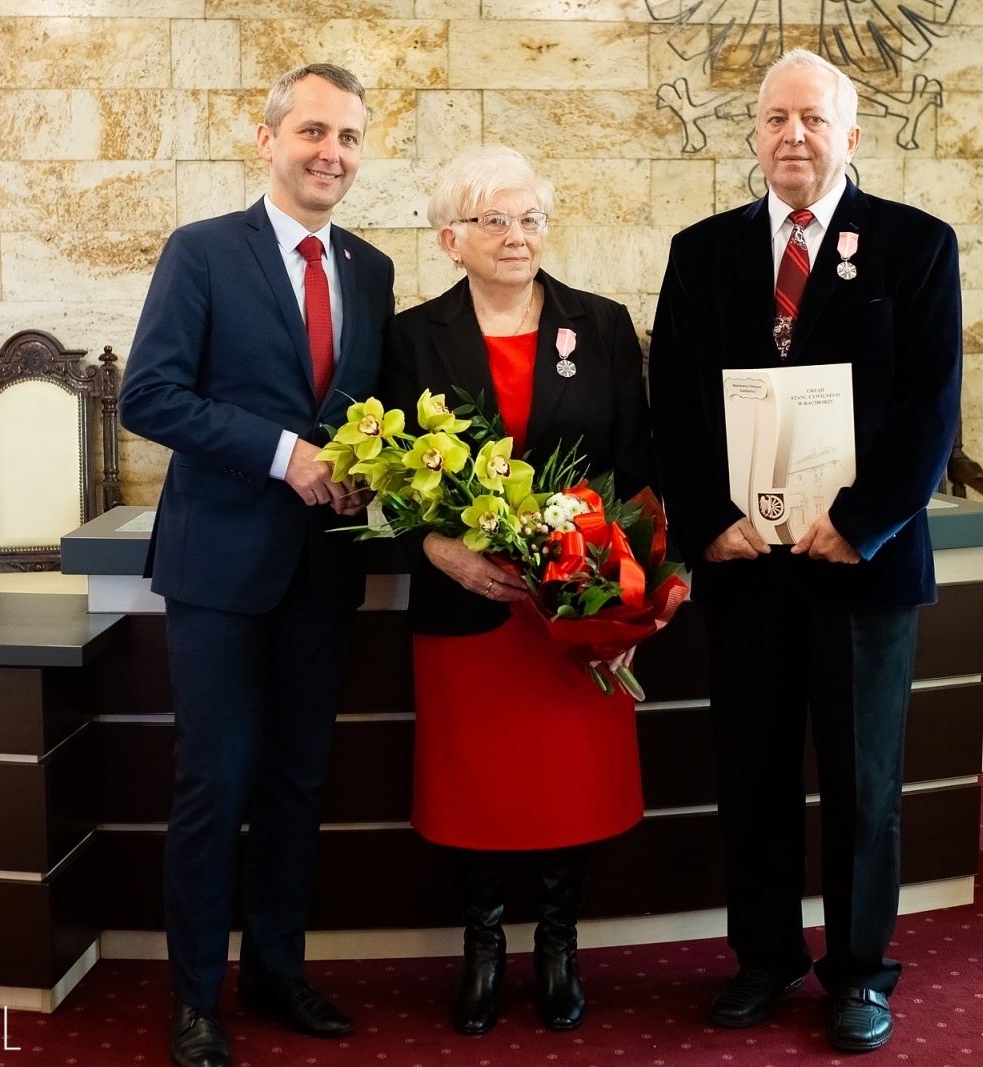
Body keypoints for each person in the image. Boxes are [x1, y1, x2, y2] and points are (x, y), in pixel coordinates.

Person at [646, 49, 962, 1055]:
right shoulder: (702, 252)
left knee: (863, 786)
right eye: (776, 118)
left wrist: (861, 520)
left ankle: (860, 969)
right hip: (744, 565)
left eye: (813, 119)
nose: (793, 135)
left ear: (850, 135)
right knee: (752, 772)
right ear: (753, 134)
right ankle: (765, 954)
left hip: (860, 567)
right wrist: (707, 518)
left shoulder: (916, 246)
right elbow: (673, 404)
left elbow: (929, 406)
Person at [118, 63, 395, 1067]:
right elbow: (148, 396)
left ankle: (278, 968)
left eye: (349, 137)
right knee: (216, 784)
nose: (332, 153)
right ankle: (196, 997)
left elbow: (363, 412)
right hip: (221, 572)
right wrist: (287, 456)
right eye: (314, 131)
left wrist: (365, 471)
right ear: (267, 138)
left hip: (322, 571)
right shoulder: (201, 252)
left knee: (296, 783)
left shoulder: (370, 268)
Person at [381, 145, 657, 1037]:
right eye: (493, 220)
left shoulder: (600, 324)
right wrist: (440, 548)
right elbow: (390, 478)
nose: (516, 236)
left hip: (575, 610)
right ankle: (485, 947)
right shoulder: (410, 337)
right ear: (450, 238)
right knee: (477, 786)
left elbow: (636, 470)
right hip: (468, 608)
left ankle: (559, 946)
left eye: (530, 218)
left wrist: (627, 590)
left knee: (566, 785)